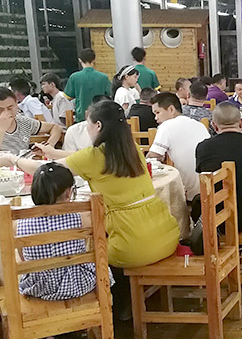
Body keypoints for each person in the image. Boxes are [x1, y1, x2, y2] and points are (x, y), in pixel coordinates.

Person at [2, 99, 180, 269]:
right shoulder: (130, 148)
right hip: (166, 235)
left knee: (83, 252)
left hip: (131, 245)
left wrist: (12, 159)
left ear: (98, 125)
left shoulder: (93, 157)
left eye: (88, 124)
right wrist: (53, 152)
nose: (86, 128)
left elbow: (43, 170)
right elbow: (81, 157)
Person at [16, 162, 114, 339]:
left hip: (40, 288)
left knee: (26, 274)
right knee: (102, 269)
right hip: (78, 284)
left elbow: (23, 256)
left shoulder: (20, 222)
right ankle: (83, 324)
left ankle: (48, 336)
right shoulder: (81, 216)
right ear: (69, 193)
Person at [195, 102, 242, 232]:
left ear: (214, 125)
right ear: (241, 123)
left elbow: (203, 178)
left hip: (218, 220)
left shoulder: (203, 148)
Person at [148, 92, 210, 201]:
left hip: (190, 196)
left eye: (158, 112)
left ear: (171, 109)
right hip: (208, 188)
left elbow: (151, 157)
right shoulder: (199, 125)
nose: (156, 118)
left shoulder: (166, 126)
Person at [0, 87, 61, 154]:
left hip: (23, 159)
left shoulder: (23, 121)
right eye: (0, 110)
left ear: (16, 104)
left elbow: (55, 127)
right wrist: (2, 129)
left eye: (10, 108)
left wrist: (50, 145)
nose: (6, 113)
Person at [63, 48, 111, 123]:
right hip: (99, 114)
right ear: (94, 59)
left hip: (81, 115)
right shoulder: (103, 77)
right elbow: (109, 95)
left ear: (80, 60)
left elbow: (68, 96)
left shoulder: (74, 77)